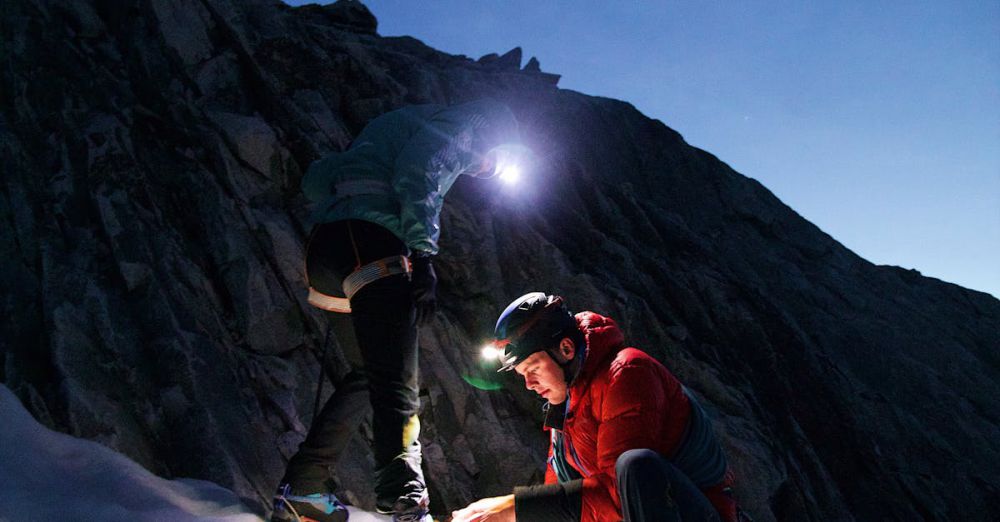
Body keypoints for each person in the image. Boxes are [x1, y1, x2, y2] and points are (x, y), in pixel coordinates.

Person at [271, 99, 523, 522]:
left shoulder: (390, 126)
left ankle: (303, 489)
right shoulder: (471, 121)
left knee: (369, 372)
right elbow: (421, 169)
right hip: (373, 245)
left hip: (327, 251)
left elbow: (319, 179)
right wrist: (423, 255)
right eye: (491, 165)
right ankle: (407, 499)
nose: (482, 172)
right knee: (399, 378)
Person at [452, 292, 744, 522]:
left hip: (695, 513)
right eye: (522, 375)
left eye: (533, 368)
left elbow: (620, 492)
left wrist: (514, 507)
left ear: (565, 349)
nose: (529, 384)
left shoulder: (627, 371)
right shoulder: (564, 411)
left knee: (635, 465)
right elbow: (562, 501)